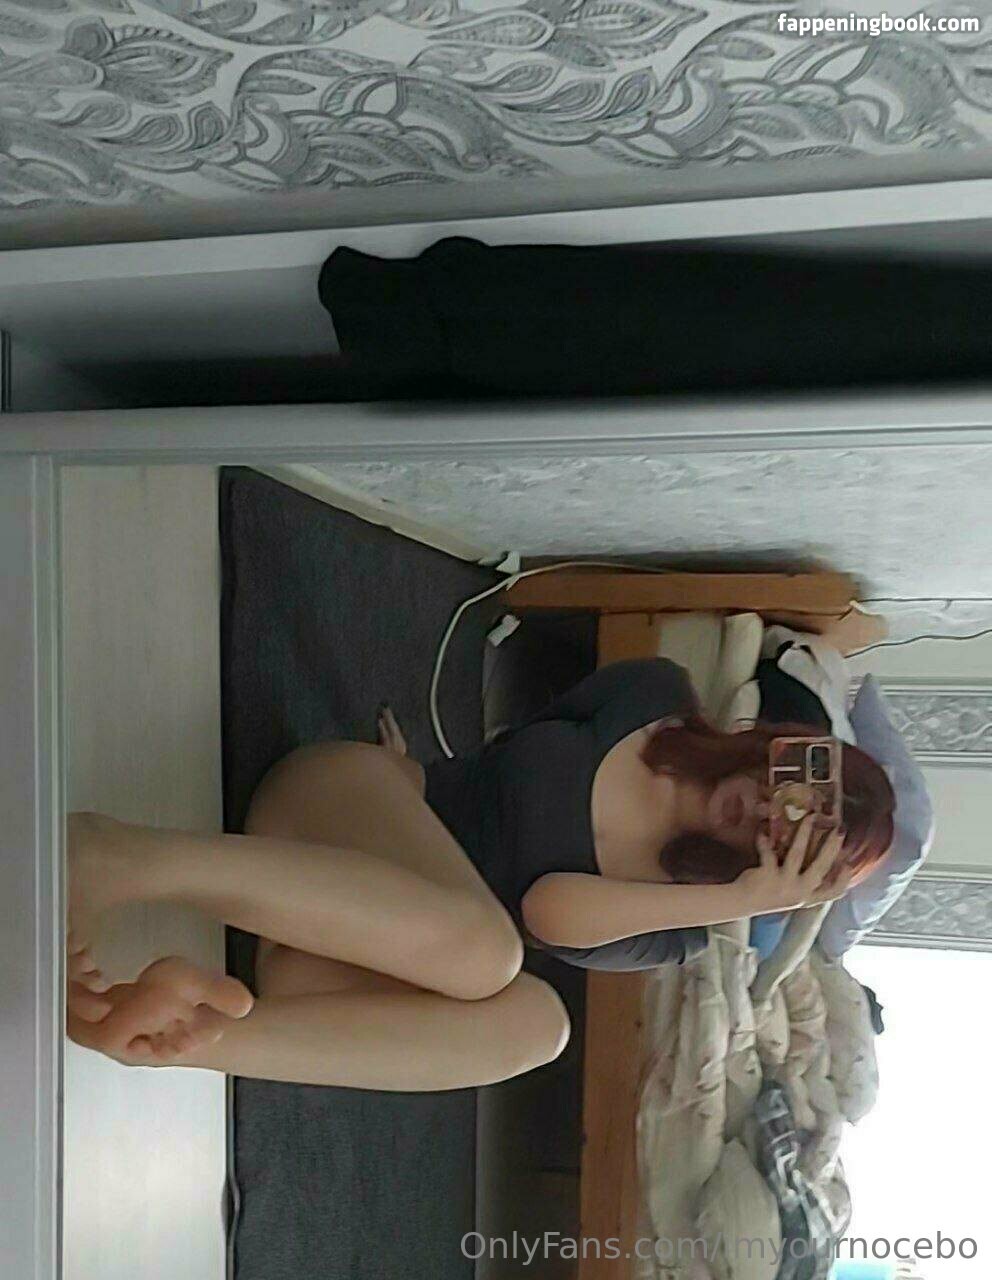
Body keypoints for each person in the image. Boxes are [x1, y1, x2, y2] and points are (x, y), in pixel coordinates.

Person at [66, 657, 894, 1092]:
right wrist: (409, 783)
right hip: (340, 805)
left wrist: (739, 901)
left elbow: (552, 912)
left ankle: (181, 1035)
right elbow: (502, 757)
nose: (772, 813)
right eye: (803, 791)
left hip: (326, 949)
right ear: (792, 751)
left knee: (538, 1023)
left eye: (801, 837)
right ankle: (120, 858)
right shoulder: (652, 694)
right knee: (487, 957)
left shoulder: (681, 924)